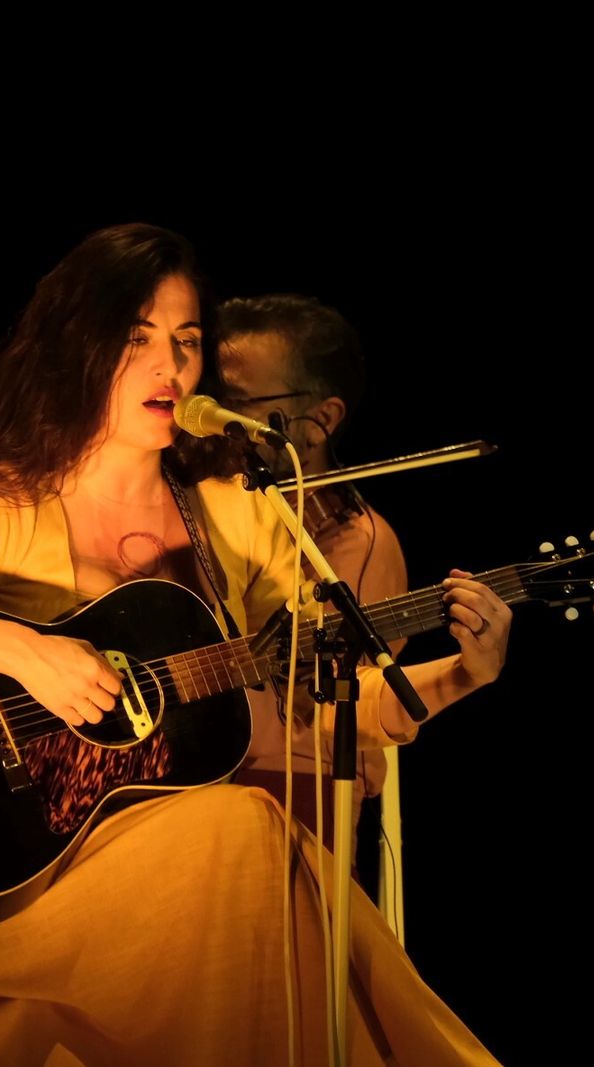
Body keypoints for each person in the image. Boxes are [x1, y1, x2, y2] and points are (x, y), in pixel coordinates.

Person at [0, 224, 510, 1065]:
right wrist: (26, 654)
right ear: (77, 349)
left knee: (247, 841)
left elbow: (313, 721)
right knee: (245, 841)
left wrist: (459, 675)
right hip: (15, 884)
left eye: (184, 342)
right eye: (136, 339)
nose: (168, 369)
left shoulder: (238, 512)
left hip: (194, 865)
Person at [216, 294, 412, 853]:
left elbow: (311, 698)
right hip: (195, 774)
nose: (214, 425)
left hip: (293, 789)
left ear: (320, 421)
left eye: (238, 405)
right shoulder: (209, 504)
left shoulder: (354, 540)